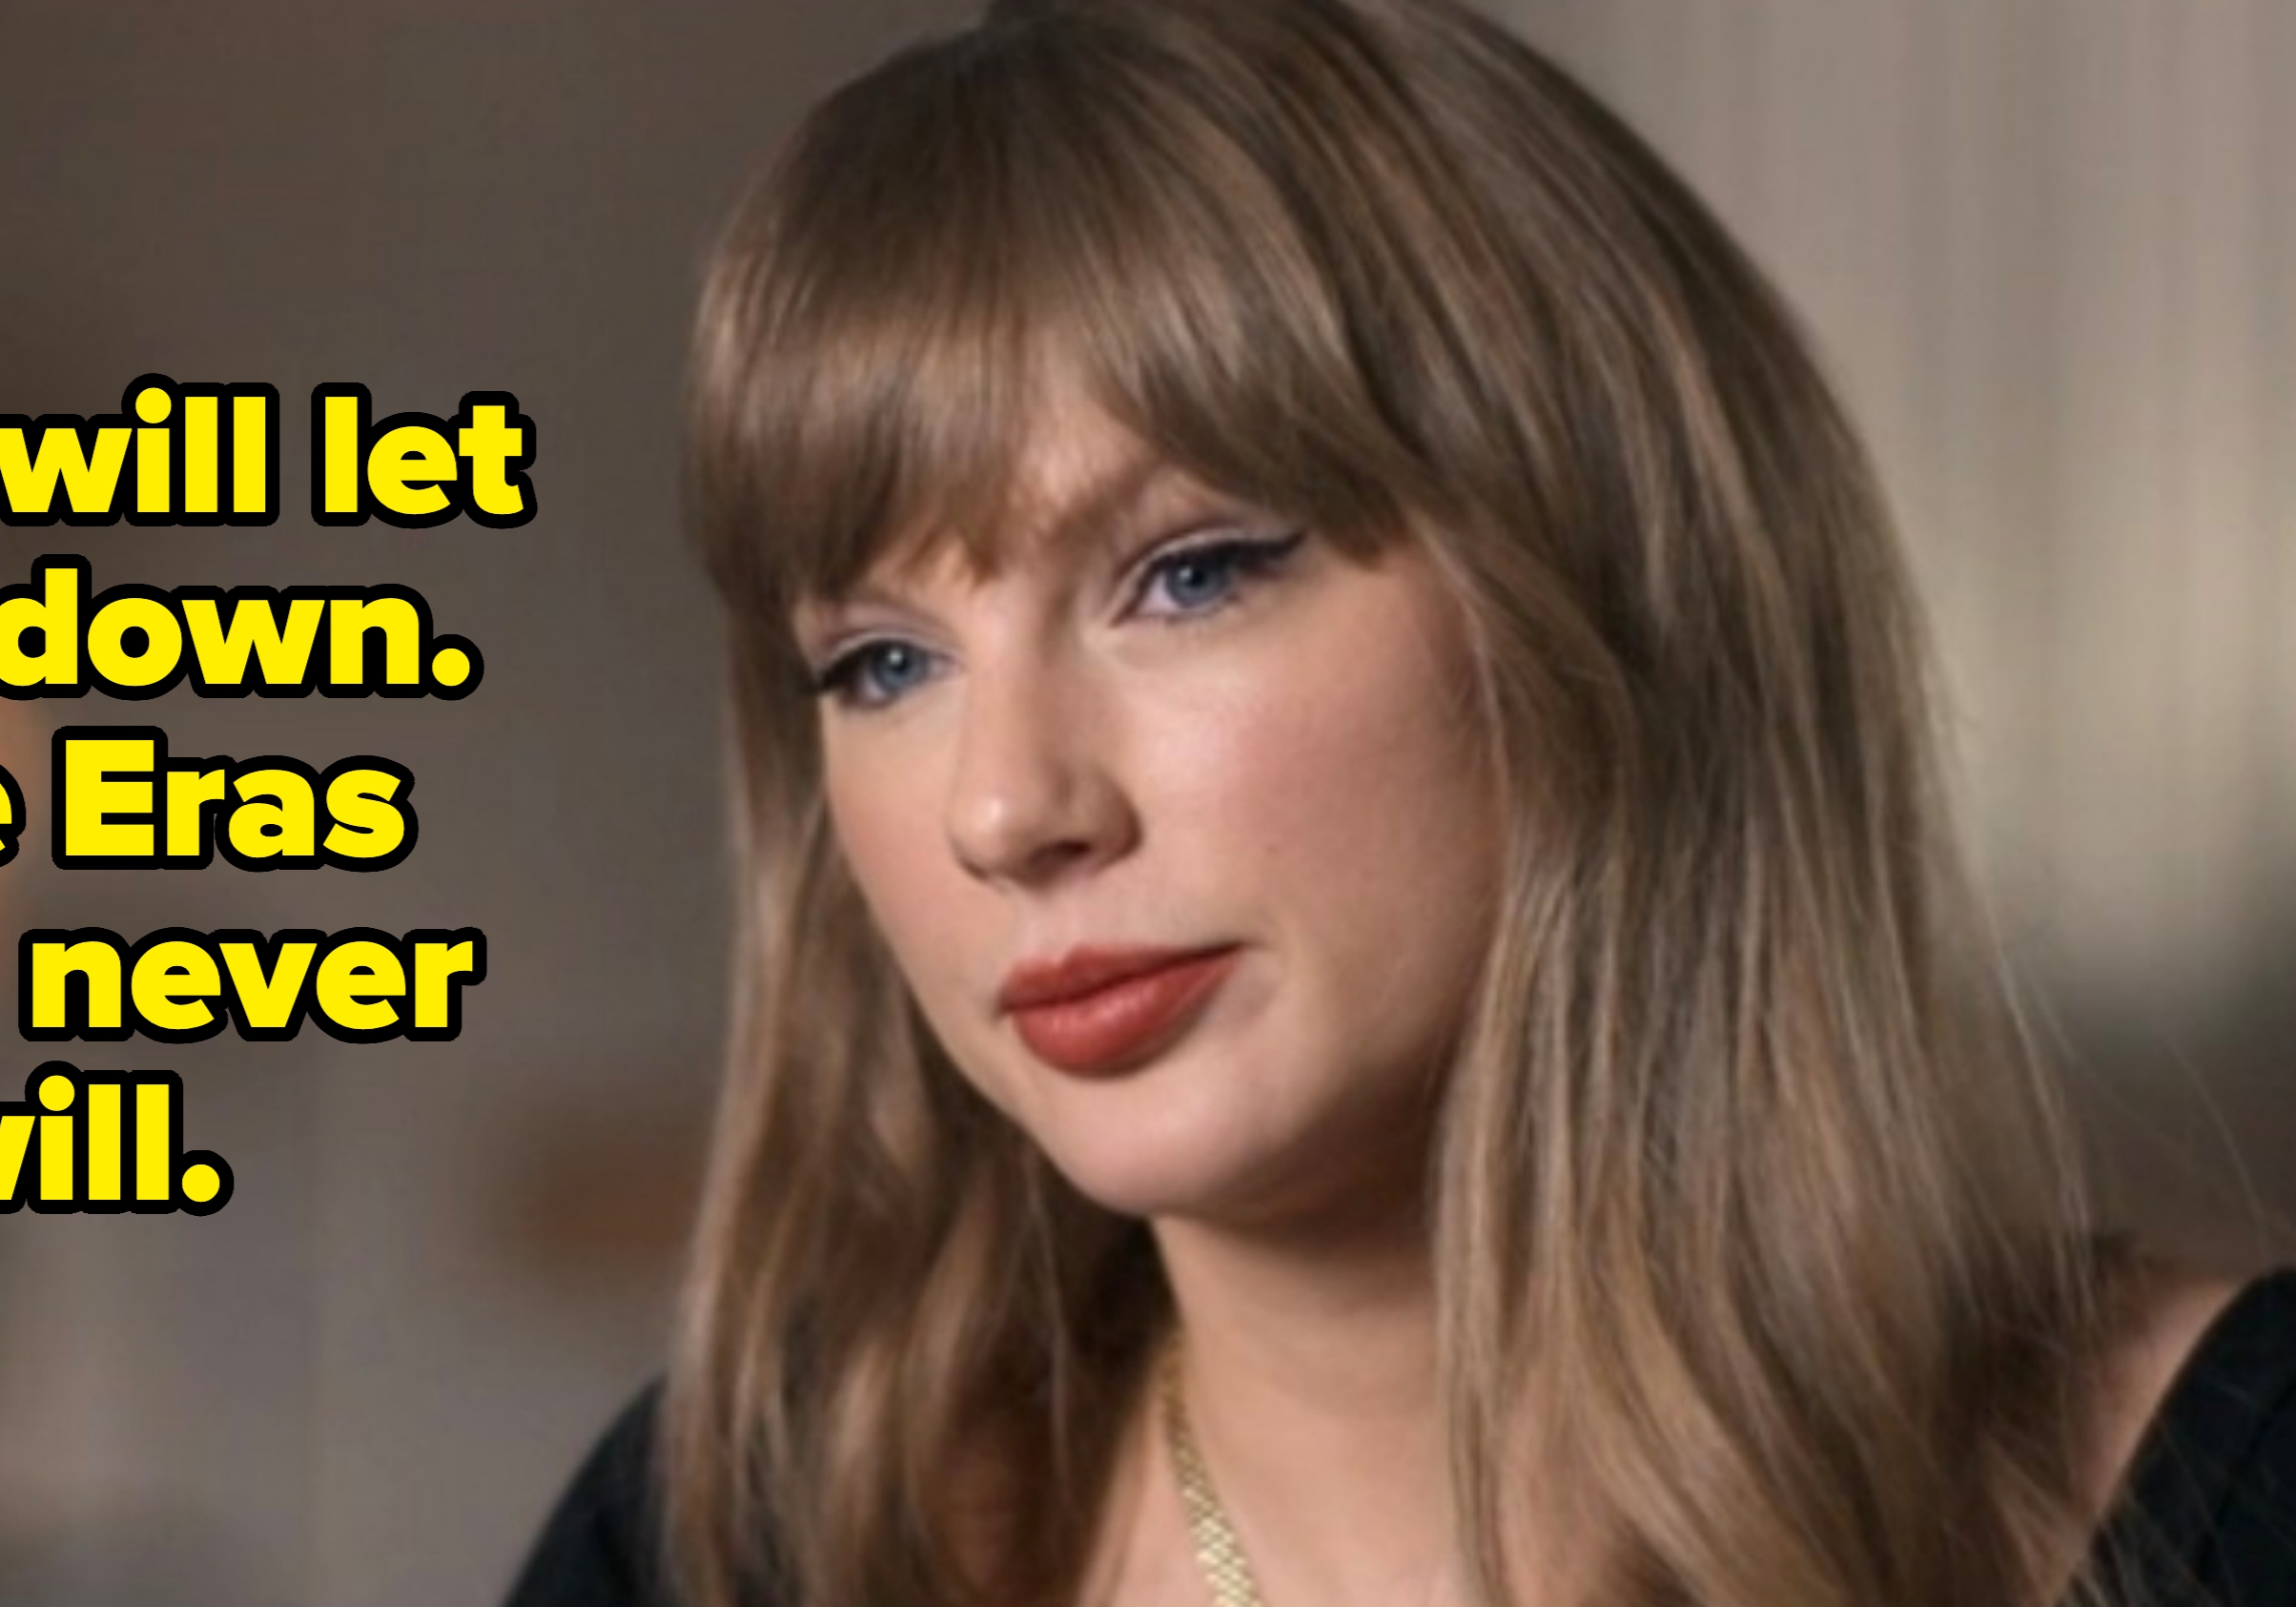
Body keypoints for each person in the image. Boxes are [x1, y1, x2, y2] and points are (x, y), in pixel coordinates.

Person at [507, 1, 2295, 1604]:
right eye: (884, 662)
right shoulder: (724, 1544)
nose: (1005, 807)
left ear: (1598, 588)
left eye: (1190, 574)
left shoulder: (2243, 1497)